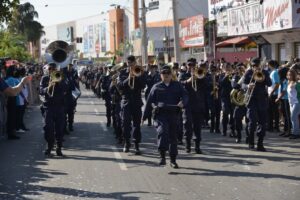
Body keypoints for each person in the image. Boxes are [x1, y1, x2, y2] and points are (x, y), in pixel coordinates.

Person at [143, 65, 188, 168]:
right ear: (161, 75)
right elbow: (150, 100)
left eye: (168, 73)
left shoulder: (177, 85)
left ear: (171, 75)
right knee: (162, 132)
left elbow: (185, 95)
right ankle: (162, 156)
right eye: (164, 74)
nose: (166, 75)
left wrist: (182, 102)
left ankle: (173, 160)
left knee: (173, 137)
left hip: (173, 114)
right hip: (161, 114)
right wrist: (145, 115)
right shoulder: (156, 86)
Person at [117, 55, 146, 154]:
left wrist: (137, 77)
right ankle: (127, 143)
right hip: (126, 101)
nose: (130, 65)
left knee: (137, 125)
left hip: (137, 101)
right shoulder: (122, 73)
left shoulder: (140, 71)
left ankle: (136, 145)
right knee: (125, 123)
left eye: (132, 63)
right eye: (129, 63)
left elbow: (143, 85)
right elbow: (120, 86)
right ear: (127, 63)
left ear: (135, 63)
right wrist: (128, 78)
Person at [244, 57, 272, 151]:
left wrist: (264, 76)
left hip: (262, 100)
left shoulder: (265, 72)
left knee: (262, 123)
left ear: (260, 65)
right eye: (253, 66)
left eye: (256, 65)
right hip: (252, 100)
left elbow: (270, 83)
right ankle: (251, 141)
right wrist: (248, 86)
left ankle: (260, 143)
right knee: (252, 122)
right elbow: (243, 84)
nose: (255, 67)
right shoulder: (248, 73)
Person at [40, 63, 67, 157]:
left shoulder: (61, 77)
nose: (51, 70)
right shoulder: (45, 78)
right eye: (50, 69)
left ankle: (59, 147)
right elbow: (41, 90)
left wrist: (58, 82)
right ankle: (49, 145)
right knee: (48, 128)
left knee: (59, 129)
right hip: (49, 107)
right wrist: (49, 86)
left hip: (59, 107)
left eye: (53, 69)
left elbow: (66, 89)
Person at [286, 69, 300, 139]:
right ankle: (295, 132)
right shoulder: (288, 82)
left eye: (290, 75)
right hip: (291, 103)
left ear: (294, 75)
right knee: (293, 118)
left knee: (293, 117)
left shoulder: (296, 83)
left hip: (297, 102)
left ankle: (296, 133)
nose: (289, 76)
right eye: (288, 75)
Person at [267, 60, 280, 132]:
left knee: (274, 111)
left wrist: (271, 92)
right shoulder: (272, 72)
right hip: (271, 93)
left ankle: (275, 127)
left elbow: (277, 84)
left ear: (270, 65)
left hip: (273, 94)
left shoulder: (274, 72)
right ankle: (271, 126)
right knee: (271, 111)